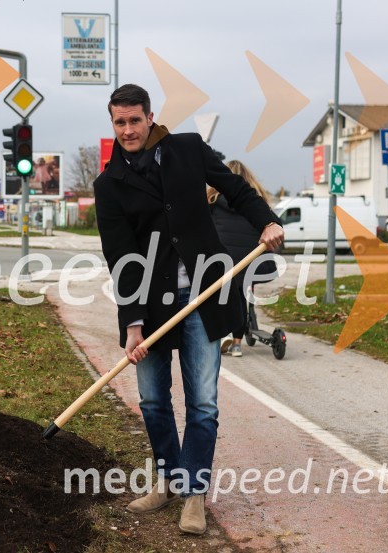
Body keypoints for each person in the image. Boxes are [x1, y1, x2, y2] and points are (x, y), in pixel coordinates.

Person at [93, 84, 283, 535]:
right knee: (154, 400)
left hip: (207, 290)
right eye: (119, 122)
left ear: (149, 117)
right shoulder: (108, 185)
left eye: (134, 120)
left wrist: (267, 222)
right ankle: (168, 481)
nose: (127, 130)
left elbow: (235, 188)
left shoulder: (187, 149)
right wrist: (132, 325)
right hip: (150, 303)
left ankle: (193, 495)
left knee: (203, 401)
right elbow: (121, 258)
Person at [209, 160, 278, 357]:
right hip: (254, 261)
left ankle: (224, 334)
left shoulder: (213, 200)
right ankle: (237, 344)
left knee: (221, 295)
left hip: (225, 259)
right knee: (241, 295)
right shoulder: (257, 203)